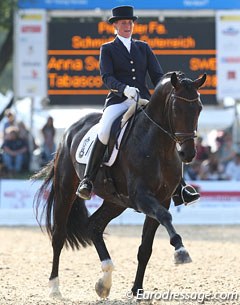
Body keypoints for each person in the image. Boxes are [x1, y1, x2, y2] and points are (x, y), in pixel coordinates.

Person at [76, 5, 200, 206]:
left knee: (168, 132)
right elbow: (106, 77)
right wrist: (124, 88)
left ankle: (180, 188)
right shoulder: (107, 49)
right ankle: (87, 180)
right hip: (118, 100)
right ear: (115, 25)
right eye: (123, 23)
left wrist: (170, 87)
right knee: (105, 129)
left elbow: (158, 76)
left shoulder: (143, 47)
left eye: (130, 23)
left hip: (143, 100)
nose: (127, 26)